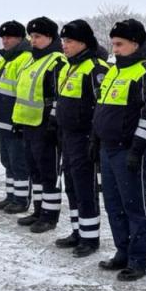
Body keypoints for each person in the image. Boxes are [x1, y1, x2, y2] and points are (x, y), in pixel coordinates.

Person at [91, 19, 146, 281]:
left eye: (120, 44)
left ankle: (139, 258)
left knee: (135, 207)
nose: (115, 50)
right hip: (108, 149)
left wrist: (138, 149)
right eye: (113, 45)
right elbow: (101, 108)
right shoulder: (114, 71)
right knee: (113, 204)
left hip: (129, 151)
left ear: (135, 43)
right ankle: (123, 250)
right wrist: (95, 139)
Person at [53, 20, 108, 257]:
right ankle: (77, 231)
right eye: (63, 41)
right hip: (67, 136)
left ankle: (90, 237)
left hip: (84, 137)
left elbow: (100, 106)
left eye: (70, 41)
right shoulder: (67, 67)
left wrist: (95, 138)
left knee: (85, 188)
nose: (64, 45)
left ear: (83, 43)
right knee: (72, 186)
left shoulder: (96, 68)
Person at [12, 17, 67, 233]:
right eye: (31, 37)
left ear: (50, 38)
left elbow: (57, 96)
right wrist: (18, 121)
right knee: (35, 171)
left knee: (48, 173)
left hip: (45, 127)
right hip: (29, 124)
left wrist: (53, 123)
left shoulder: (56, 61)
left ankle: (50, 215)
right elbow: (21, 94)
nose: (33, 41)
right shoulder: (30, 61)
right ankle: (38, 210)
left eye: (38, 37)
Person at [0, 21, 32, 213]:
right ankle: (11, 195)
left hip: (14, 121)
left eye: (9, 37)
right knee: (7, 161)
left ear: (20, 39)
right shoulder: (7, 59)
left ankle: (21, 200)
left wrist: (18, 120)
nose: (4, 41)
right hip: (2, 120)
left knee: (18, 162)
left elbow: (23, 92)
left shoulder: (25, 58)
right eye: (3, 37)